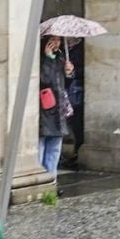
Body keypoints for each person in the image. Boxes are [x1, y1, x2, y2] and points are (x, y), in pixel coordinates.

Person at [38, 35, 72, 174]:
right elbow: (45, 79)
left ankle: (51, 177)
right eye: (52, 39)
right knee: (41, 144)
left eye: (58, 40)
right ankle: (41, 176)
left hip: (58, 108)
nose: (55, 43)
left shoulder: (61, 58)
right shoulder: (42, 59)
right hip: (45, 107)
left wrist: (69, 72)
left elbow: (64, 84)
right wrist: (47, 58)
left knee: (55, 146)